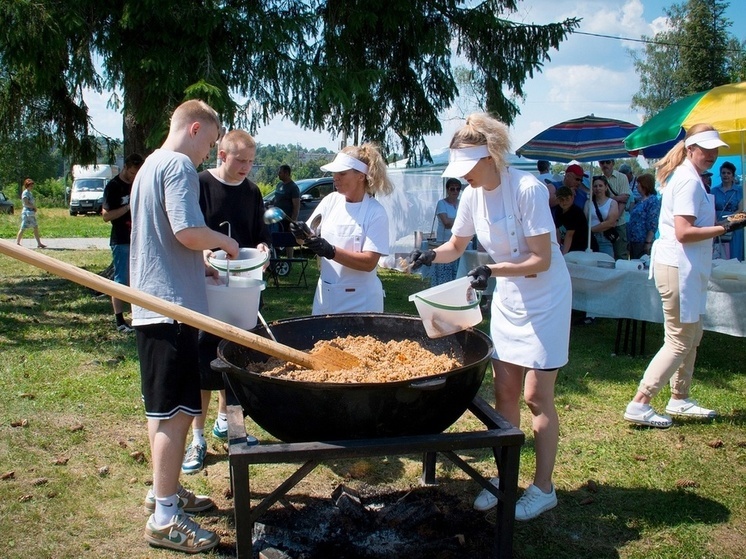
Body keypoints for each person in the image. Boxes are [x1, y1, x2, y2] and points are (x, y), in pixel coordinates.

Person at [409, 113, 571, 521]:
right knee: (505, 393)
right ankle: (505, 476)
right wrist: (431, 253)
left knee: (537, 396)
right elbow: (455, 244)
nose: (463, 177)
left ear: (491, 157)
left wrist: (492, 270)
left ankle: (543, 487)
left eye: (468, 169)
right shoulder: (471, 195)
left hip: (546, 297)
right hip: (509, 296)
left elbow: (540, 259)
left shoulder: (528, 189)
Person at [129, 99, 238, 553]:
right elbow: (187, 232)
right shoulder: (177, 165)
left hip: (156, 304)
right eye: (209, 144)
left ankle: (164, 492)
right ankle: (165, 519)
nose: (207, 155)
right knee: (174, 416)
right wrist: (224, 242)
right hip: (170, 310)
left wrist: (202, 268)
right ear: (194, 129)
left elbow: (167, 240)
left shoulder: (149, 166)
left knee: (164, 412)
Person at [623, 125, 745, 429]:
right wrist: (726, 228)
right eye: (706, 149)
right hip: (678, 267)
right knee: (679, 340)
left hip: (686, 268)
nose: (712, 155)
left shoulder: (690, 178)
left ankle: (679, 396)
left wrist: (722, 223)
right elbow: (684, 233)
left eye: (715, 149)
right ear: (690, 148)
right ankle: (641, 402)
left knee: (692, 334)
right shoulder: (689, 181)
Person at [181, 129, 271, 475]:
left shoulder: (251, 192)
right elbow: (187, 231)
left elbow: (260, 235)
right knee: (203, 365)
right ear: (222, 155)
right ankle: (198, 438)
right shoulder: (200, 184)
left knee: (237, 359)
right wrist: (202, 252)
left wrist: (264, 249)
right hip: (206, 289)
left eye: (251, 161)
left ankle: (228, 423)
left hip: (243, 290)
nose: (247, 167)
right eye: (241, 160)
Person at [289, 144, 393, 314]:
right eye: (334, 173)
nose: (335, 178)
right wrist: (301, 234)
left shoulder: (376, 213)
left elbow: (369, 262)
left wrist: (331, 251)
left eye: (342, 173)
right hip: (327, 295)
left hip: (361, 301)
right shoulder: (330, 201)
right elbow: (304, 239)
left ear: (360, 176)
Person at [102, 153, 144, 333]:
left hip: (140, 239)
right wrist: (128, 207)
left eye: (138, 173)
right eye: (133, 173)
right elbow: (106, 215)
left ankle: (139, 317)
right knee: (120, 280)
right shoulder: (114, 186)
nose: (135, 177)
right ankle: (119, 321)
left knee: (139, 279)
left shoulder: (140, 183)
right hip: (121, 239)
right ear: (126, 167)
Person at [429, 178, 462, 286]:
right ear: (447, 190)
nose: (455, 192)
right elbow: (446, 223)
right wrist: (461, 221)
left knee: (456, 272)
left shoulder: (461, 203)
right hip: (443, 242)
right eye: (452, 189)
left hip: (458, 243)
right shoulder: (441, 203)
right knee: (443, 272)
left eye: (458, 189)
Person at [599, 159, 631, 259]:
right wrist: (616, 198)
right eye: (602, 162)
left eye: (607, 162)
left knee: (620, 255)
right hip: (602, 223)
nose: (605, 165)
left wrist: (614, 219)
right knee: (604, 257)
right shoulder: (597, 179)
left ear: (613, 163)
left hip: (619, 223)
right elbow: (597, 199)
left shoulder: (622, 177)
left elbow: (624, 200)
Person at [711, 161, 743, 260]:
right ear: (720, 174)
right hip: (717, 225)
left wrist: (725, 222)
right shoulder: (714, 191)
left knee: (735, 255)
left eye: (728, 173)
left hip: (734, 225)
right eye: (723, 173)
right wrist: (716, 223)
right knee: (719, 254)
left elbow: (740, 209)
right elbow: (711, 208)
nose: (726, 175)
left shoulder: (740, 190)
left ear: (733, 175)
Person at [627, 174, 661, 259]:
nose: (637, 186)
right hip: (634, 241)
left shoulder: (652, 201)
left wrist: (648, 242)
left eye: (639, 184)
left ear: (645, 185)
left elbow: (653, 222)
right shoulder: (640, 200)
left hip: (642, 241)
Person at [585, 175, 620, 258]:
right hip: (590, 239)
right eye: (595, 186)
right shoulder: (588, 203)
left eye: (600, 186)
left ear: (606, 187)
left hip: (605, 239)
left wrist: (590, 230)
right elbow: (584, 220)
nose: (598, 188)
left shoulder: (612, 203)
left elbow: (610, 223)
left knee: (606, 265)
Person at [553, 186, 593, 254]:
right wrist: (558, 250)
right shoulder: (558, 210)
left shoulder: (576, 212)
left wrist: (563, 255)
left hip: (581, 248)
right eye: (561, 199)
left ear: (572, 198)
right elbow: (558, 231)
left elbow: (569, 235)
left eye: (567, 199)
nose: (564, 202)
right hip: (569, 247)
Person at [274, 164, 300, 257]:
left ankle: (290, 259)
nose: (278, 174)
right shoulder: (279, 185)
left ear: (286, 173)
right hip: (277, 219)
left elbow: (296, 207)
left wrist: (292, 222)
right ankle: (276, 257)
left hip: (287, 219)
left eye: (280, 172)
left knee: (288, 240)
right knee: (276, 238)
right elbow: (276, 199)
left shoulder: (293, 187)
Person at [15, 178, 46, 248]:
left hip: (31, 212)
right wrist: (34, 207)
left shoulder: (30, 193)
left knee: (35, 227)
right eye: (30, 185)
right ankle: (17, 242)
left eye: (32, 185)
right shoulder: (25, 193)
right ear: (27, 185)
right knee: (23, 228)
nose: (32, 187)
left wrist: (33, 208)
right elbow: (26, 203)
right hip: (26, 213)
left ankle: (39, 243)